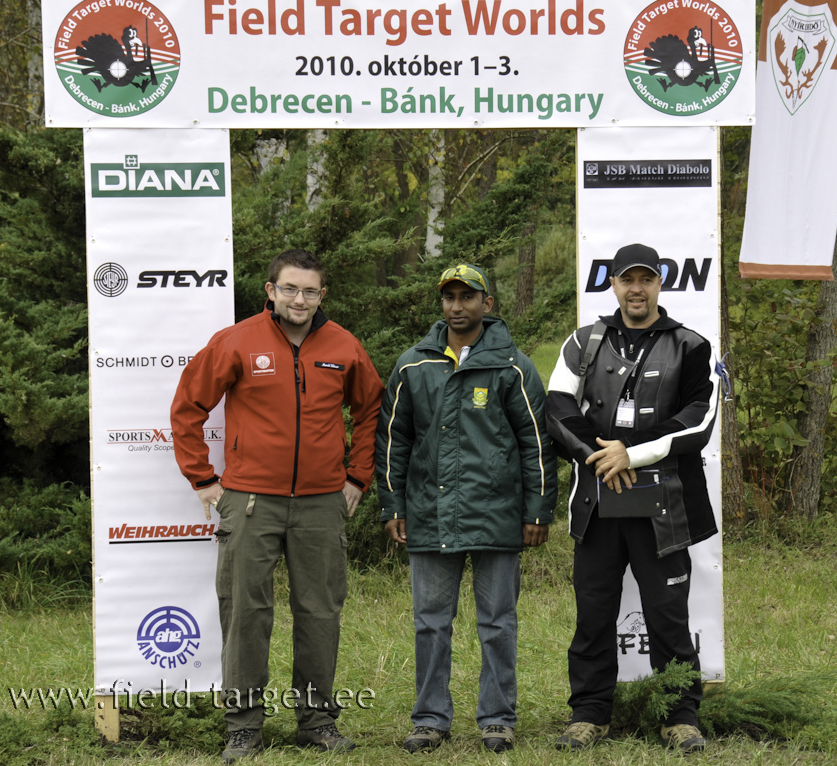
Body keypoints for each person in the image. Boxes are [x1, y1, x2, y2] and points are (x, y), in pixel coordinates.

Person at [171, 249, 384, 763]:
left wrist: (358, 476)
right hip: (249, 503)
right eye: (290, 289)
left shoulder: (343, 346)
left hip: (320, 504)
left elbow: (371, 406)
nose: (299, 299)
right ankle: (243, 727)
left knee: (319, 613)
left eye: (310, 291)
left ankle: (316, 722)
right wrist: (203, 479)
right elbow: (188, 406)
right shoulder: (236, 342)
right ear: (271, 290)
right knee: (246, 613)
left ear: (322, 296)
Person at [545, 243, 721, 754]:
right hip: (598, 502)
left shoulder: (691, 345)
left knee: (668, 614)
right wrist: (601, 458)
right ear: (614, 285)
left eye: (646, 279)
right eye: (627, 280)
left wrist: (633, 454)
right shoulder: (583, 341)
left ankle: (679, 715)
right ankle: (590, 714)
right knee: (593, 612)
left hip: (664, 504)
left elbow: (698, 421)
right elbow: (557, 407)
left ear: (660, 284)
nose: (636, 288)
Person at [375, 263, 557, 753]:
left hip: (497, 516)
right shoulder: (414, 364)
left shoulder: (513, 366)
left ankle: (497, 718)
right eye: (449, 298)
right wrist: (393, 504)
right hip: (429, 516)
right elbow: (394, 440)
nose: (457, 306)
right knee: (430, 620)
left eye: (467, 297)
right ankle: (430, 718)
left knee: (498, 621)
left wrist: (538, 512)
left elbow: (536, 442)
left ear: (487, 304)